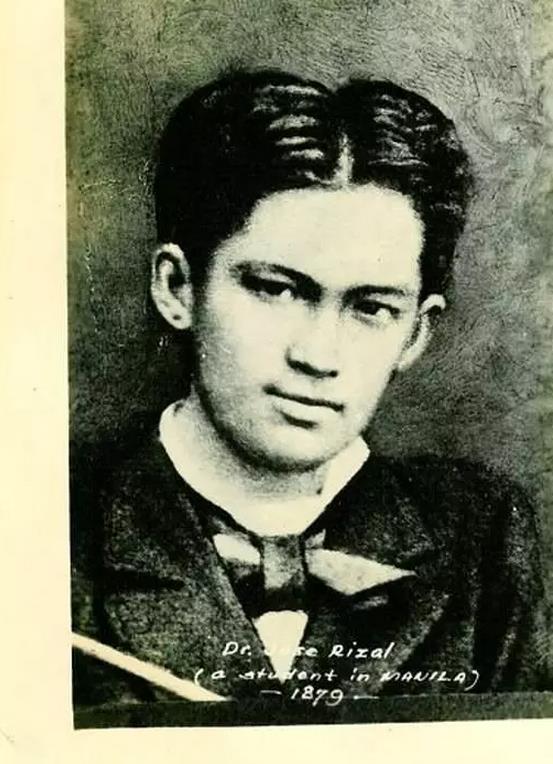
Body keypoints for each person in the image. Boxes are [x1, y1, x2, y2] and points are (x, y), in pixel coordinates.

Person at [71, 70, 549, 710]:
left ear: (415, 333)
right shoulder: (50, 523)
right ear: (178, 287)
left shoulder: (483, 538)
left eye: (371, 308)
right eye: (275, 289)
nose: (318, 357)